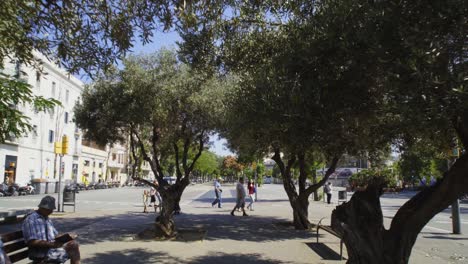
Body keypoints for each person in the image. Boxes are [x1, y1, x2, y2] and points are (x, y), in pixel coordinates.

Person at [22, 196, 81, 264]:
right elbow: (31, 242)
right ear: (42, 207)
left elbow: (55, 234)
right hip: (40, 253)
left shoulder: (46, 218)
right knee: (72, 251)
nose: (51, 212)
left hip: (50, 249)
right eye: (49, 210)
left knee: (74, 244)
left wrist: (67, 237)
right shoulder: (31, 219)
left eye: (52, 210)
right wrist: (52, 244)